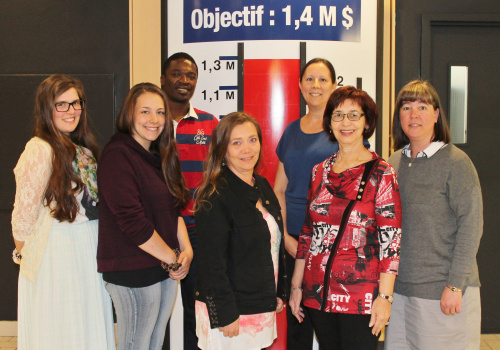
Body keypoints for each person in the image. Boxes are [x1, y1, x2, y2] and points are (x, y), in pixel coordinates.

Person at [289, 86, 402, 350]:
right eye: (338, 115)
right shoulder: (320, 171)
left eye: (354, 115)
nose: (345, 122)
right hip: (318, 294)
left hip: (361, 297)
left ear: (367, 122)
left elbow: (391, 242)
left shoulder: (382, 173)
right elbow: (307, 233)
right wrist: (296, 287)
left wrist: (385, 297)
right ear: (329, 122)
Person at [11, 74, 115, 349]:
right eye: (62, 104)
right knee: (60, 330)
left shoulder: (83, 151)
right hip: (57, 255)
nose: (72, 111)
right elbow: (22, 218)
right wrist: (29, 260)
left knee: (87, 327)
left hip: (88, 249)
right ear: (47, 108)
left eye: (76, 103)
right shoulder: (39, 149)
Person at [385, 80, 483, 349]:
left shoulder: (457, 163)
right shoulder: (392, 163)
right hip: (400, 292)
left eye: (422, 107)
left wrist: (455, 286)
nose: (414, 115)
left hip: (444, 294)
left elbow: (471, 227)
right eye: (406, 107)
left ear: (437, 114)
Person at [97, 83, 193, 350]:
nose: (154, 120)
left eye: (160, 112)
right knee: (135, 345)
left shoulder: (157, 154)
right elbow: (132, 222)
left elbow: (173, 210)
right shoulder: (118, 154)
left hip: (162, 267)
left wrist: (186, 250)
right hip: (132, 269)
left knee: (154, 342)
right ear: (130, 114)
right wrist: (172, 258)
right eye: (145, 111)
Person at [194, 112, 287, 350]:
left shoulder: (263, 185)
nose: (247, 149)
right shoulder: (215, 195)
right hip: (232, 311)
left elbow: (274, 245)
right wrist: (225, 313)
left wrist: (277, 293)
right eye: (236, 143)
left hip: (259, 303)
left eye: (252, 140)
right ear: (222, 150)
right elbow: (211, 263)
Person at [274, 57, 339, 349]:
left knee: (327, 321)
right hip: (292, 241)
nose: (316, 86)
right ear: (300, 86)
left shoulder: (343, 130)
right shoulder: (290, 131)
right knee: (296, 320)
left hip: (331, 245)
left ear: (334, 85)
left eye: (323, 79)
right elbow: (279, 189)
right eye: (310, 79)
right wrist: (286, 237)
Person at [161, 52, 218, 350]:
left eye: (190, 75)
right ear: (162, 79)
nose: (184, 80)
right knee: (156, 312)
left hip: (197, 230)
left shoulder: (210, 123)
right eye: (176, 74)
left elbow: (222, 176)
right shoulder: (149, 123)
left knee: (196, 310)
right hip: (155, 231)